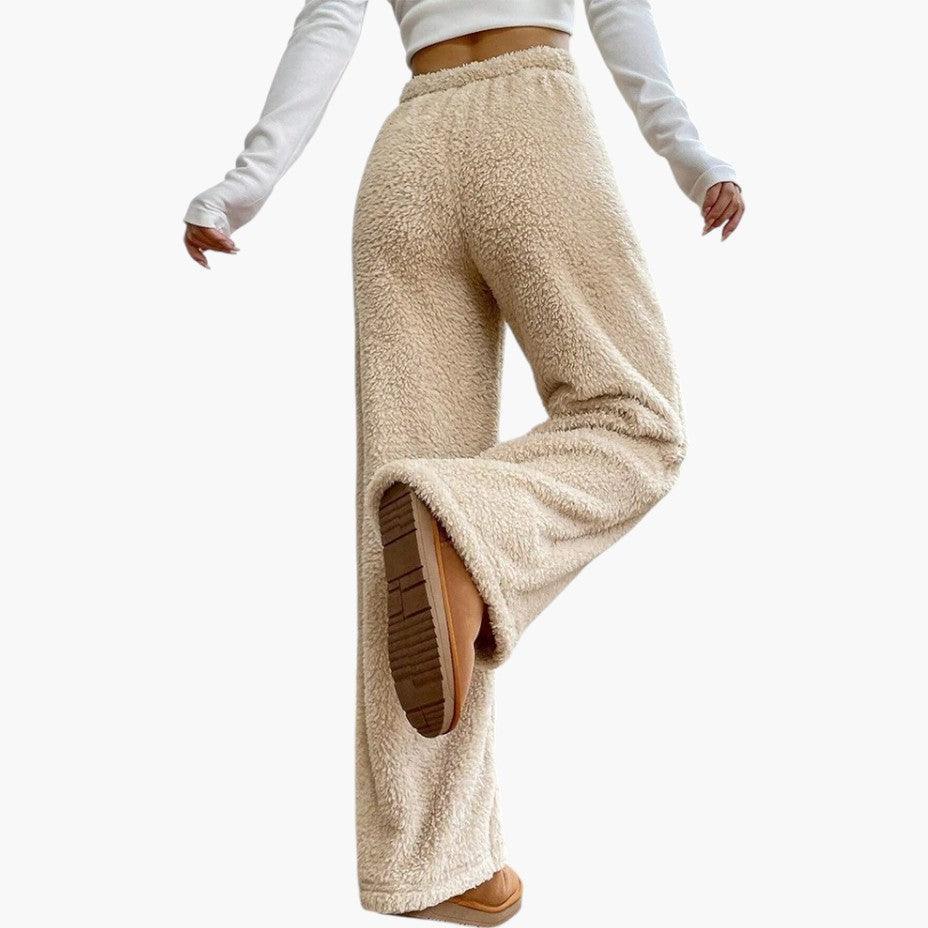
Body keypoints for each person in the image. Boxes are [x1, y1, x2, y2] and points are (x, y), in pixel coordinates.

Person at [183, 2, 744, 923]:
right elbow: (615, 9)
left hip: (409, 154)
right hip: (532, 128)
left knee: (398, 511)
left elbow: (328, 23)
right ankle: (464, 518)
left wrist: (239, 189)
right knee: (637, 425)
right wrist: (692, 158)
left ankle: (427, 863)